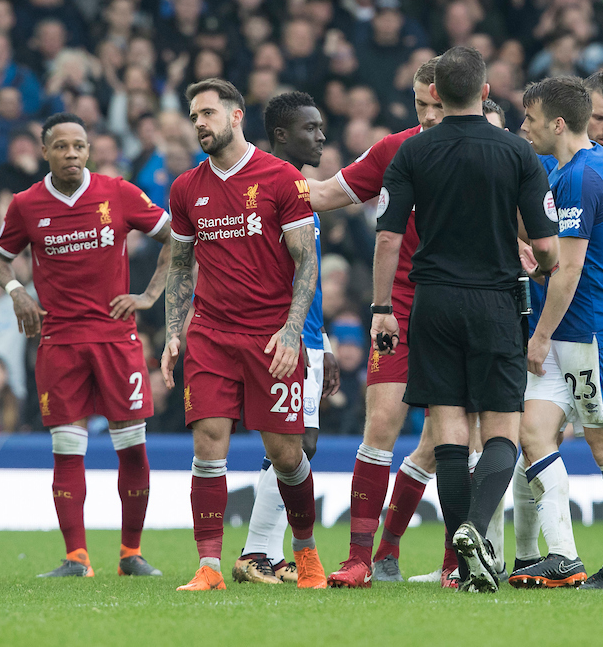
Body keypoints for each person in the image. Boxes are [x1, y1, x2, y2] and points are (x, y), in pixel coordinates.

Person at [371, 46, 559, 592]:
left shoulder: (412, 153)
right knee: (503, 429)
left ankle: (466, 559)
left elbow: (387, 237)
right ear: (484, 91)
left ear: (435, 95)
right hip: (496, 300)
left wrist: (383, 308)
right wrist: (540, 262)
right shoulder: (517, 153)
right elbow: (545, 244)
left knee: (448, 431)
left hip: (432, 302)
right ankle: (475, 529)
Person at [160, 78, 325, 591]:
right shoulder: (186, 187)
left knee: (287, 454)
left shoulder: (280, 179)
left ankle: (306, 554)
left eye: (208, 112)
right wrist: (172, 334)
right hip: (211, 333)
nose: (199, 123)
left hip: (270, 336)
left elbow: (306, 260)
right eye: (193, 116)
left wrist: (294, 330)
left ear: (236, 117)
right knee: (209, 444)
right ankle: (209, 566)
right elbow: (181, 266)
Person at [0, 112, 173, 578]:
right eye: (62, 146)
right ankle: (77, 558)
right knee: (67, 449)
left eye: (79, 145)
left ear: (89, 150)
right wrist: (17, 293)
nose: (72, 153)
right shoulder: (26, 204)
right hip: (60, 342)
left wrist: (150, 296)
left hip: (116, 338)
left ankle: (130, 554)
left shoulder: (119, 192)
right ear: (45, 150)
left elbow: (177, 237)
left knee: (132, 447)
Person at [509, 70, 603, 583]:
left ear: (556, 122)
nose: (524, 127)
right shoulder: (592, 168)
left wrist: (541, 335)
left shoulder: (578, 177)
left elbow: (571, 269)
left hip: (594, 331)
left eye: (530, 119)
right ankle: (565, 556)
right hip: (576, 330)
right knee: (532, 432)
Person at [306, 58, 452, 588]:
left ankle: (408, 553)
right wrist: (258, 177)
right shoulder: (393, 149)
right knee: (381, 424)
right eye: (421, 104)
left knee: (445, 441)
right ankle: (360, 558)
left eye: (438, 103)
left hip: (461, 308)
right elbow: (323, 194)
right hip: (400, 307)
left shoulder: (488, 151)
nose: (430, 114)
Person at [232, 92, 339, 585]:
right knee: (295, 445)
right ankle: (257, 552)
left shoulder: (298, 188)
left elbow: (306, 274)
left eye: (321, 127)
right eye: (310, 128)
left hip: (310, 336)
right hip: (285, 337)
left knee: (295, 445)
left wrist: (326, 342)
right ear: (280, 135)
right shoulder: (270, 186)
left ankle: (265, 554)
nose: (321, 136)